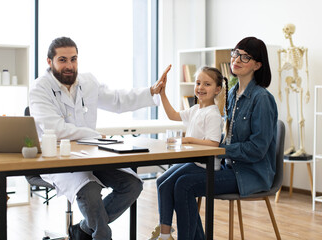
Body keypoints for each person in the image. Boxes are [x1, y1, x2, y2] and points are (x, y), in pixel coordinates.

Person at [29, 37, 168, 240]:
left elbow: (118, 100)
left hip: (90, 154)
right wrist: (92, 134)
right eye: (63, 60)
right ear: (50, 62)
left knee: (132, 184)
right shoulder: (39, 88)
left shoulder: (87, 82)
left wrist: (151, 91)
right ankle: (100, 234)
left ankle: (83, 229)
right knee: (90, 191)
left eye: (73, 59)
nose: (69, 65)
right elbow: (55, 130)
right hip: (58, 159)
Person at [151, 36, 278, 240]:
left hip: (250, 175)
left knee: (184, 185)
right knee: (170, 180)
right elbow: (222, 132)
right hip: (228, 166)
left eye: (245, 57)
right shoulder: (232, 94)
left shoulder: (262, 99)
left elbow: (257, 149)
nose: (236, 59)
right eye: (235, 53)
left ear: (258, 64)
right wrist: (212, 146)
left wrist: (217, 149)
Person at [149, 66, 227, 240]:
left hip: (203, 165)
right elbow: (173, 115)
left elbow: (213, 144)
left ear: (217, 89)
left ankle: (168, 235)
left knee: (174, 185)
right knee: (162, 181)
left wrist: (188, 139)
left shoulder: (213, 114)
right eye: (198, 83)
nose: (200, 87)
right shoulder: (195, 110)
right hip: (191, 162)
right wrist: (162, 93)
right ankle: (165, 234)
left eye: (207, 84)